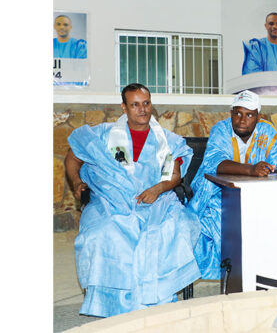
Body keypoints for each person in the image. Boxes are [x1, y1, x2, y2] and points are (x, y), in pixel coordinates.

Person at [65, 83, 199, 317]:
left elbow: (174, 175)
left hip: (156, 203)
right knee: (102, 233)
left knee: (170, 231)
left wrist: (157, 189)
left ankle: (153, 301)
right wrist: (76, 182)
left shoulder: (167, 140)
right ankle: (110, 305)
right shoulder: (103, 134)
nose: (142, 109)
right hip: (110, 202)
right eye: (135, 104)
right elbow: (73, 155)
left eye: (146, 103)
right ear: (124, 107)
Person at [187, 90, 277, 279]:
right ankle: (232, 274)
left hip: (255, 197)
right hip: (216, 194)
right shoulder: (221, 130)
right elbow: (215, 163)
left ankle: (262, 273)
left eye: (249, 115)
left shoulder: (266, 130)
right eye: (237, 113)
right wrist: (251, 170)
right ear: (231, 114)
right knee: (223, 221)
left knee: (275, 219)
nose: (242, 120)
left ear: (258, 117)